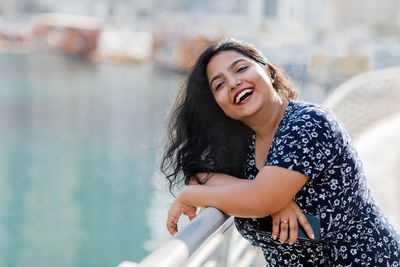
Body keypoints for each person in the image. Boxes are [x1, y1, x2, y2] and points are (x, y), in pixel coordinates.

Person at [161, 38, 400, 266]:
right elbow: (202, 176)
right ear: (219, 106)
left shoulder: (310, 123)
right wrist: (271, 198)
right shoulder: (242, 146)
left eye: (241, 69)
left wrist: (191, 196)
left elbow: (261, 198)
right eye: (219, 84)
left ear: (268, 72)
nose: (233, 82)